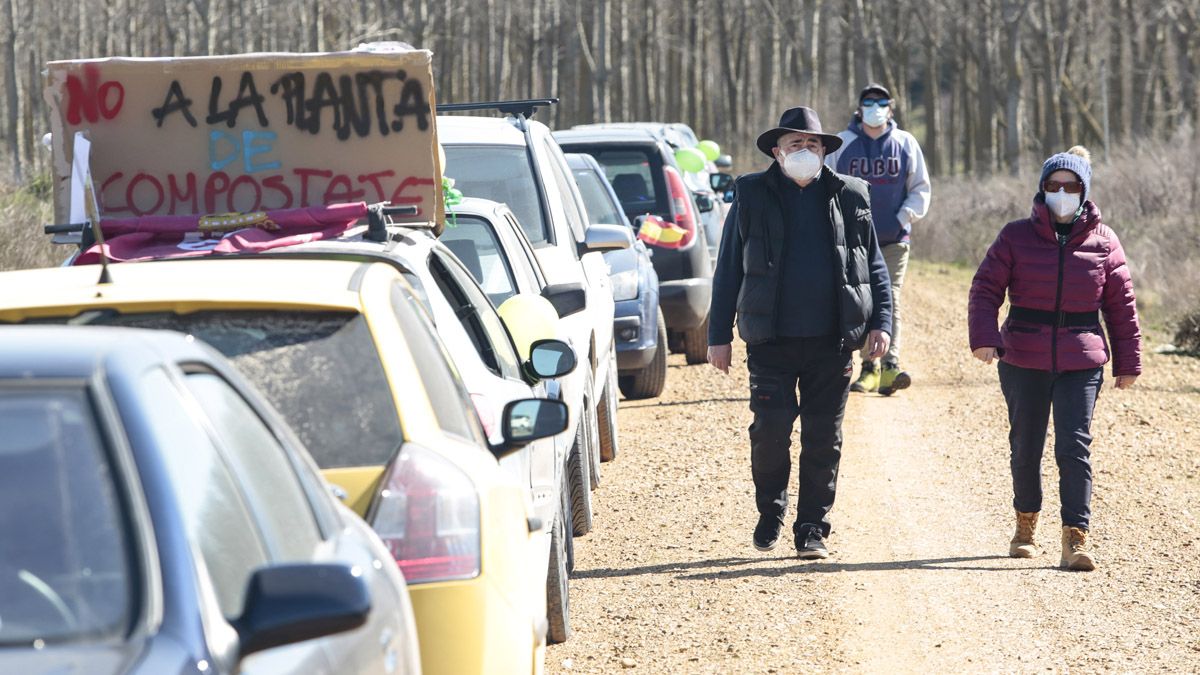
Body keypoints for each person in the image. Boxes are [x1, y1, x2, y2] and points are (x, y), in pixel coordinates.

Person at [707, 106, 892, 559]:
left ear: (825, 151)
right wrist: (719, 334)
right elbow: (729, 266)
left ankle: (812, 527)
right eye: (795, 144)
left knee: (823, 439)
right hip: (770, 340)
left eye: (812, 144)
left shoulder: (851, 195)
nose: (804, 151)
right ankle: (770, 511)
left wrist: (882, 322)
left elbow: (874, 266)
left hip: (832, 342)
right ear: (777, 151)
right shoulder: (751, 194)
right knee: (769, 432)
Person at [967, 146, 1140, 572]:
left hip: (1081, 359)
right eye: (1053, 186)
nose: (1061, 193)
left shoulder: (1105, 242)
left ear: (1084, 192)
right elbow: (986, 289)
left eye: (1071, 186)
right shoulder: (1015, 236)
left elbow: (1121, 306)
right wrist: (985, 337)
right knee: (1026, 444)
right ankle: (1025, 525)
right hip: (1023, 356)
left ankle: (1074, 538)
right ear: (1042, 190)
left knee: (1073, 446)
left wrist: (1128, 362)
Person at [825, 83, 931, 396]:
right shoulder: (843, 144)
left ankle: (890, 365)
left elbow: (920, 188)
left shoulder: (905, 143)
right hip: (851, 242)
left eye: (881, 101)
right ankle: (868, 367)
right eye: (868, 102)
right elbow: (825, 187)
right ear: (858, 108)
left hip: (893, 239)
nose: (874, 107)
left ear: (891, 107)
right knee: (860, 299)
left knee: (890, 298)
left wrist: (902, 218)